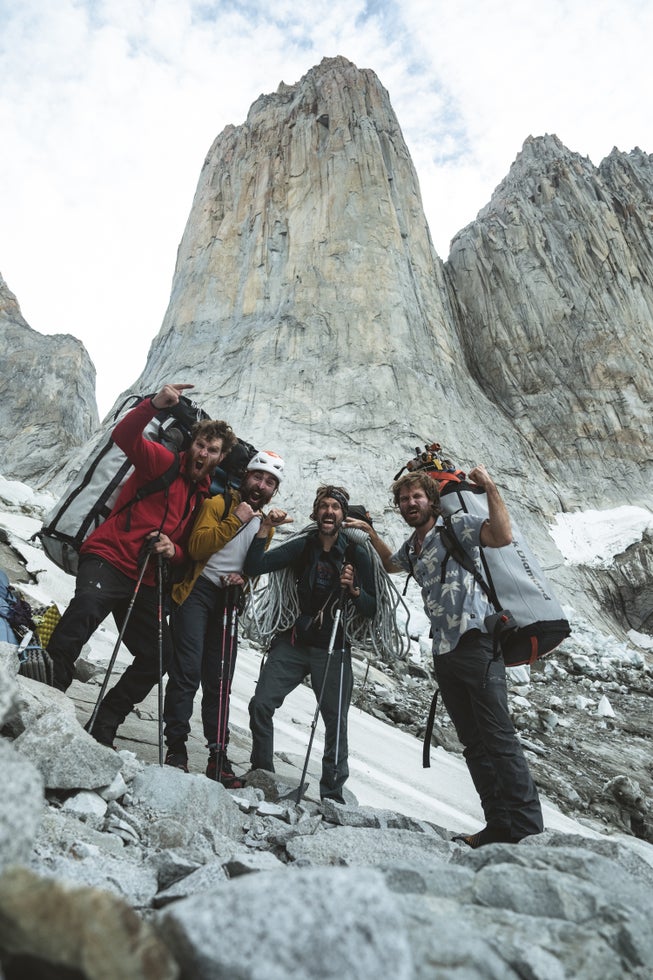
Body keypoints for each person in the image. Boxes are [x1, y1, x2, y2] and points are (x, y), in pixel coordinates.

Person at [347, 466, 544, 847]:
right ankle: (499, 825)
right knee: (473, 743)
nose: (410, 504)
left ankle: (529, 832)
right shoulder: (415, 546)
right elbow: (392, 564)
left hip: (477, 643)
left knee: (499, 738)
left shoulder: (457, 528)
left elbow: (501, 536)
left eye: (416, 497)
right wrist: (370, 534)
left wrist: (491, 489)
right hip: (445, 651)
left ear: (431, 501)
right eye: (404, 500)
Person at [47, 383, 236, 747]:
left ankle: (105, 721)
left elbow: (186, 552)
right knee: (85, 608)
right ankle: (50, 689)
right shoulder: (162, 462)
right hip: (107, 556)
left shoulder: (202, 497)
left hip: (145, 578)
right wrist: (153, 405)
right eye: (199, 444)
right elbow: (126, 436)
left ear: (220, 457)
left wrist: (172, 550)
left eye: (212, 450)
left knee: (158, 654)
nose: (203, 453)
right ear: (190, 445)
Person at [243, 485, 376, 803]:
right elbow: (254, 567)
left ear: (343, 516)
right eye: (324, 506)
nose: (329, 512)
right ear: (316, 513)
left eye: (335, 507)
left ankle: (332, 792)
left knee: (335, 721)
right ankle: (263, 774)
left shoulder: (357, 552)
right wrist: (265, 529)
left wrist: (355, 591)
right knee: (261, 704)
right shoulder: (304, 545)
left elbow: (373, 609)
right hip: (295, 640)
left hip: (334, 646)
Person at [163, 451, 289, 785]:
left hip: (228, 599)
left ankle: (218, 757)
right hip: (197, 592)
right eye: (258, 477)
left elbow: (252, 565)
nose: (261, 485)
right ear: (246, 476)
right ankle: (176, 747)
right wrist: (238, 518)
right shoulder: (216, 505)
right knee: (187, 671)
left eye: (269, 482)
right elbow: (198, 547)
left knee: (219, 682)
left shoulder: (263, 522)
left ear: (274, 489)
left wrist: (244, 577)